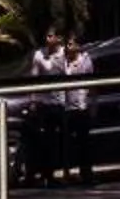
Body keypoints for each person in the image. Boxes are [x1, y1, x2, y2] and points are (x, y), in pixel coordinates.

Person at [27, 31, 71, 183]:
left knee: (64, 140)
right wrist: (33, 101)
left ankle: (66, 173)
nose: (48, 39)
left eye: (51, 36)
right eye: (46, 36)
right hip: (46, 104)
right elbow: (34, 79)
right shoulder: (39, 55)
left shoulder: (64, 54)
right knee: (48, 141)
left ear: (58, 38)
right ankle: (48, 175)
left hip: (62, 103)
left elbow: (70, 74)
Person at [61, 31, 97, 184]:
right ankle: (67, 174)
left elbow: (92, 85)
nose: (67, 47)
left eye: (70, 44)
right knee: (66, 143)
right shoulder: (64, 62)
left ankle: (86, 174)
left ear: (77, 46)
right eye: (66, 45)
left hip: (82, 107)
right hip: (67, 108)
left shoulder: (85, 61)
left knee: (84, 143)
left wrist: (93, 104)